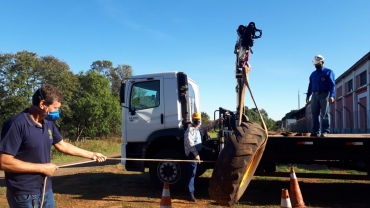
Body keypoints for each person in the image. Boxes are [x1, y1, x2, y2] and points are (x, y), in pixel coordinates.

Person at [0, 84, 107, 208]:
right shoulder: (16, 124)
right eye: (55, 108)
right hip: (24, 195)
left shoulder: (48, 123)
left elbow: (62, 145)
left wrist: (92, 154)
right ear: (42, 104)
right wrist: (41, 168)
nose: (57, 112)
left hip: (46, 190)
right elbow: (4, 162)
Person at [184, 112, 223, 202]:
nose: (197, 122)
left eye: (198, 120)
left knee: (195, 172)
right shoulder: (190, 130)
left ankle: (193, 190)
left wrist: (216, 121)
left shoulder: (199, 129)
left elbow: (208, 127)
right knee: (192, 173)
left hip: (198, 153)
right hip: (192, 155)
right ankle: (190, 194)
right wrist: (196, 155)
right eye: (196, 120)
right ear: (193, 120)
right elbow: (190, 144)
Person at [306, 55, 336, 137]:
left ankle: (325, 131)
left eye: (317, 64)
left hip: (324, 95)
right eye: (315, 65)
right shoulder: (313, 74)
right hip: (314, 96)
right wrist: (308, 96)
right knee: (314, 114)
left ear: (322, 62)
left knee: (325, 113)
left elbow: (332, 85)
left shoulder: (328, 72)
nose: (316, 66)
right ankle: (316, 131)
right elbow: (310, 85)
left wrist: (332, 95)